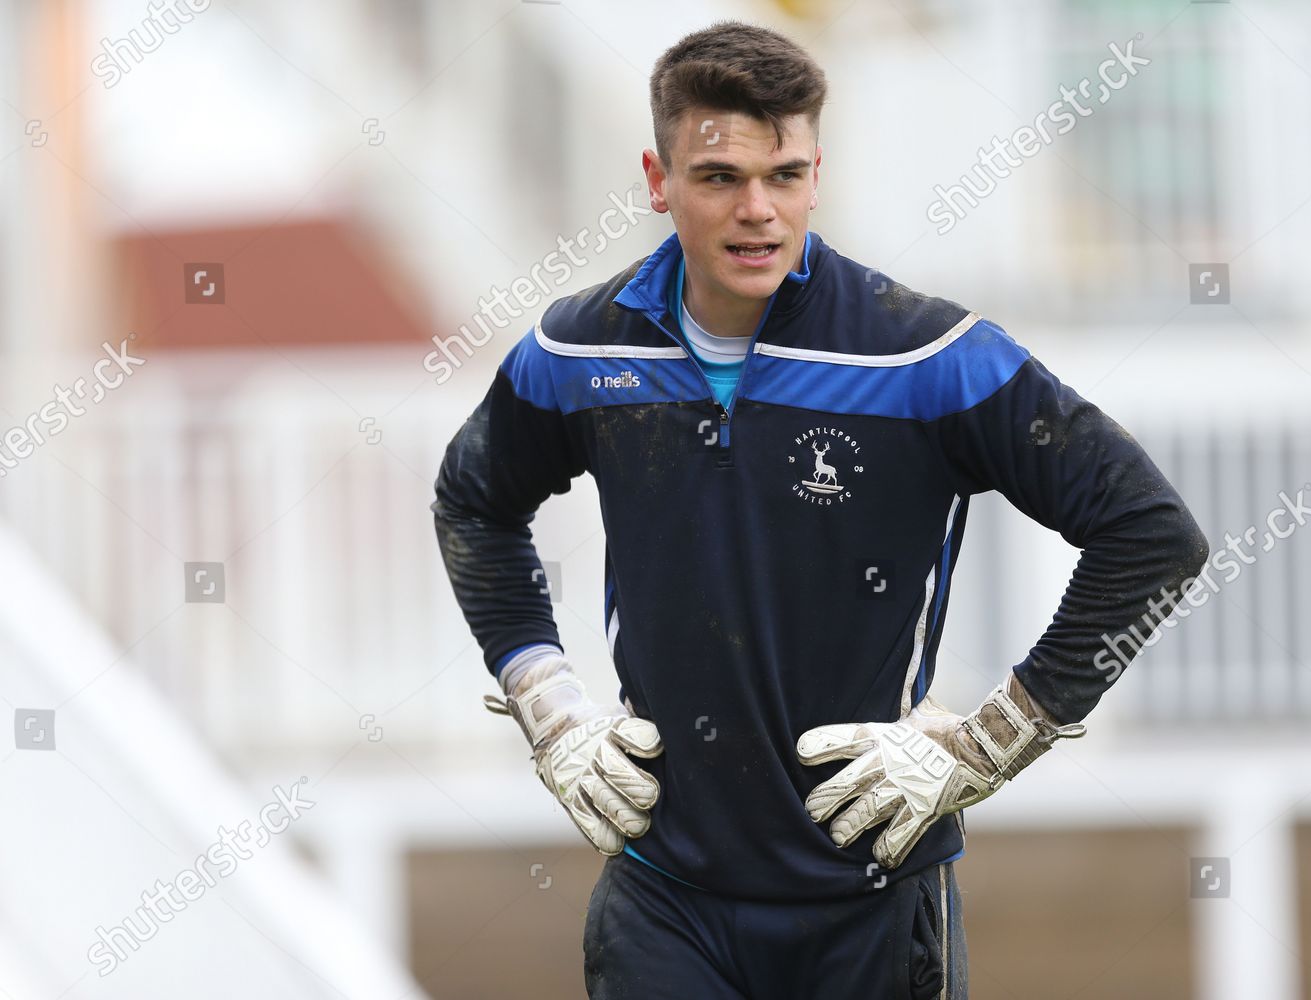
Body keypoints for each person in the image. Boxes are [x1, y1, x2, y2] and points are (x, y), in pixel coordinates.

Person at [432, 20, 1209, 1000]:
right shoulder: (578, 351)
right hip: (664, 904)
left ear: (816, 172)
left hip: (871, 903)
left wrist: (987, 747)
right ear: (657, 177)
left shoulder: (927, 357)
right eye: (719, 177)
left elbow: (1153, 535)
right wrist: (545, 701)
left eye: (786, 175)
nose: (758, 211)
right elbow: (472, 501)